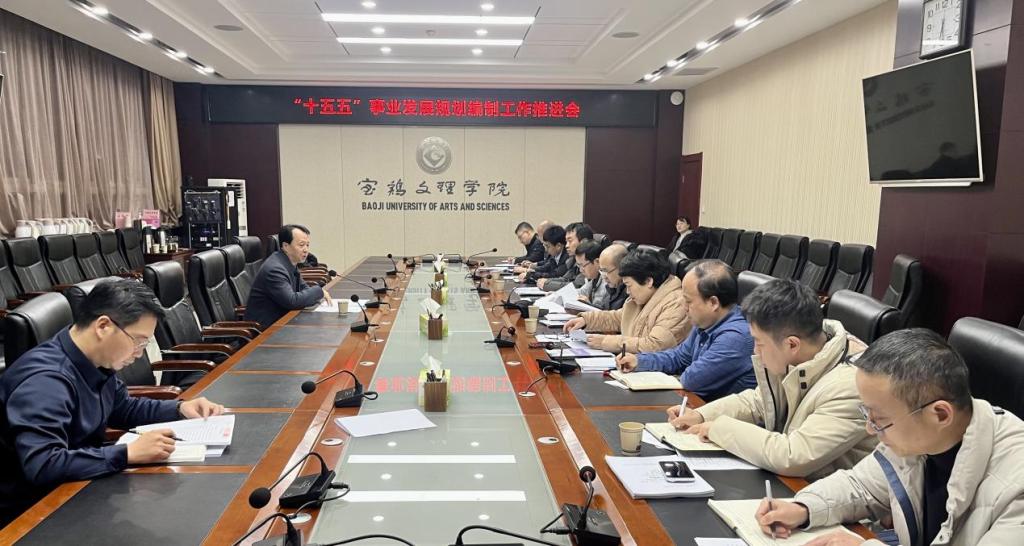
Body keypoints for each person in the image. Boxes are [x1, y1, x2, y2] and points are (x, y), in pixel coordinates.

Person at [757, 329, 1024, 546]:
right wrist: (803, 508)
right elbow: (861, 486)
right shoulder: (918, 439)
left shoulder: (1016, 485)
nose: (870, 429)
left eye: (879, 418)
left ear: (940, 414)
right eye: (867, 413)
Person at [0, 280, 225, 526]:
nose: (139, 353)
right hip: (31, 516)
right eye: (138, 341)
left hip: (78, 488)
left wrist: (180, 408)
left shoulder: (94, 361)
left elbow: (123, 408)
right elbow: (44, 464)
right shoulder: (45, 382)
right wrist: (128, 453)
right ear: (103, 326)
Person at [667, 279, 877, 479]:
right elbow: (759, 401)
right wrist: (701, 415)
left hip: (823, 493)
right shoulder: (800, 352)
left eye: (759, 343)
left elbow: (793, 456)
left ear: (792, 344)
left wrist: (718, 429)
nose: (755, 351)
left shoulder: (853, 385)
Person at [616, 260, 755, 401]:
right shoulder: (706, 322)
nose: (684, 307)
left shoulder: (736, 337)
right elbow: (679, 357)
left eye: (688, 301)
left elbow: (692, 380)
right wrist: (639, 361)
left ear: (713, 303)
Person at [564, 249, 690, 353]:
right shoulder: (645, 296)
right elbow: (619, 317)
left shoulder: (676, 304)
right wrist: (586, 320)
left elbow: (655, 345)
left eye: (629, 285)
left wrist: (605, 342)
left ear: (648, 281)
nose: (628, 292)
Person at [244, 224, 331, 329]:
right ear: (286, 246)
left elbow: (303, 288)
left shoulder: (288, 262)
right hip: (265, 330)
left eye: (307, 245)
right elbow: (292, 301)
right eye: (301, 245)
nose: (306, 250)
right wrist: (319, 292)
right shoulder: (275, 269)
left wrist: (314, 294)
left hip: (282, 321)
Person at [541, 222, 593, 291]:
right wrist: (546, 281)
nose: (566, 246)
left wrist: (546, 284)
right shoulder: (573, 260)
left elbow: (576, 286)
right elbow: (565, 279)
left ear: (583, 241)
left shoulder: (589, 260)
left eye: (570, 241)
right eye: (566, 241)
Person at [575, 240, 611, 309]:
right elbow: (580, 292)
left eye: (583, 265)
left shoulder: (608, 282)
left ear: (597, 262)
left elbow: (605, 312)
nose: (581, 270)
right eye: (578, 265)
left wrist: (588, 305)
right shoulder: (594, 279)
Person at [598, 243, 629, 311]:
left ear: (621, 267)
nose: (604, 277)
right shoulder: (611, 287)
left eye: (606, 271)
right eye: (602, 271)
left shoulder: (630, 293)